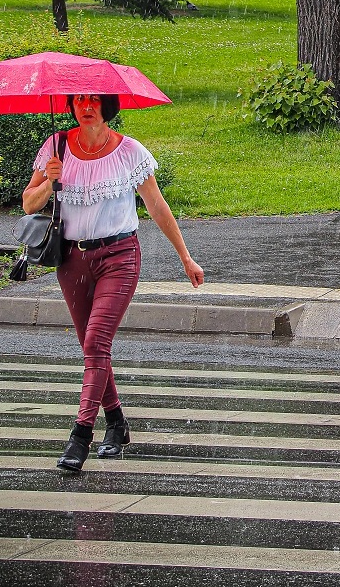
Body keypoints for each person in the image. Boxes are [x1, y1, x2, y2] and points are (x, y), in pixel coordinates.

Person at [23, 94, 205, 474]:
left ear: (106, 106)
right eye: (78, 101)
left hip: (119, 256)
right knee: (92, 348)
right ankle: (117, 423)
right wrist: (49, 182)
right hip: (71, 260)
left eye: (93, 100)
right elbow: (28, 204)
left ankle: (80, 435)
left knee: (95, 342)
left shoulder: (129, 152)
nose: (85, 107)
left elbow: (156, 205)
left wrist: (185, 257)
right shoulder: (56, 146)